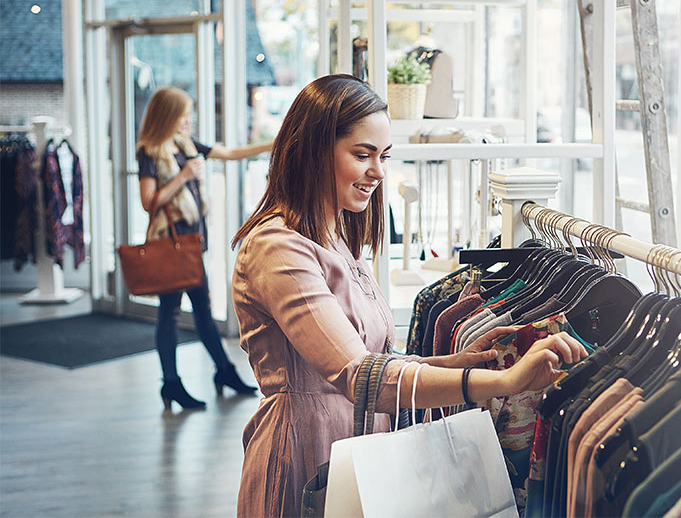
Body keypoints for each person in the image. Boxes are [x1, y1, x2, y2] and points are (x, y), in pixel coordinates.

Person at [230, 74, 588, 517]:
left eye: (383, 156)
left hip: (358, 450)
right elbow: (359, 375)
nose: (378, 172)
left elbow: (378, 360)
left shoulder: (336, 237)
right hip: (306, 451)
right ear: (313, 149)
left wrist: (455, 362)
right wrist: (501, 384)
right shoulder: (277, 247)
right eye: (363, 155)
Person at [136, 86, 271, 410]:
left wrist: (276, 142)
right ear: (168, 115)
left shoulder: (186, 145)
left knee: (201, 311)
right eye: (184, 114)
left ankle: (220, 372)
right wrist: (183, 176)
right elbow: (148, 202)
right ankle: (175, 383)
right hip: (171, 245)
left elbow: (231, 153)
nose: (188, 120)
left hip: (192, 244)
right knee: (170, 314)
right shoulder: (150, 151)